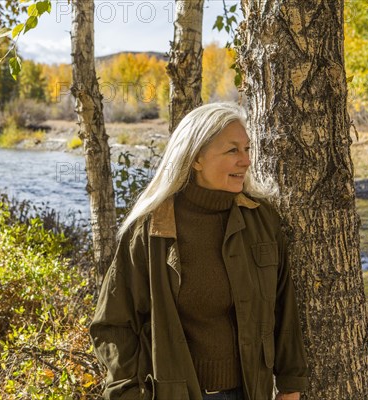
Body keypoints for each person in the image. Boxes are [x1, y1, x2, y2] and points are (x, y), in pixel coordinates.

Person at [89, 103, 309, 400]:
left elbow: (284, 308)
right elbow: (114, 324)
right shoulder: (150, 231)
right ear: (195, 159)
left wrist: (291, 384)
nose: (246, 161)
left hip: (251, 392)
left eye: (247, 149)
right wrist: (128, 392)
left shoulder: (262, 220)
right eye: (232, 151)